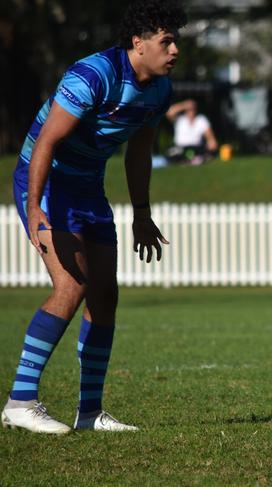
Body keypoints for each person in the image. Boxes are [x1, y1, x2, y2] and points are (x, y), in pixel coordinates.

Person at [1, 0, 186, 434]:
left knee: (104, 295)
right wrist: (34, 209)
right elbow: (46, 143)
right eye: (167, 40)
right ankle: (20, 401)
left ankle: (90, 414)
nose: (175, 49)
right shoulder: (93, 75)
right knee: (72, 285)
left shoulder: (159, 89)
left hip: (87, 186)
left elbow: (139, 151)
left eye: (176, 40)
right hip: (47, 181)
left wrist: (142, 212)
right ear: (138, 44)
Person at [165, 99, 218, 165]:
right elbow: (169, 112)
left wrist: (211, 142)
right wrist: (184, 105)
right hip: (181, 148)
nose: (191, 111)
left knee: (203, 151)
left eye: (193, 109)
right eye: (189, 109)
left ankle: (191, 159)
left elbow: (210, 137)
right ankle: (190, 159)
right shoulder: (180, 119)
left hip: (196, 148)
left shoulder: (201, 119)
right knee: (171, 153)